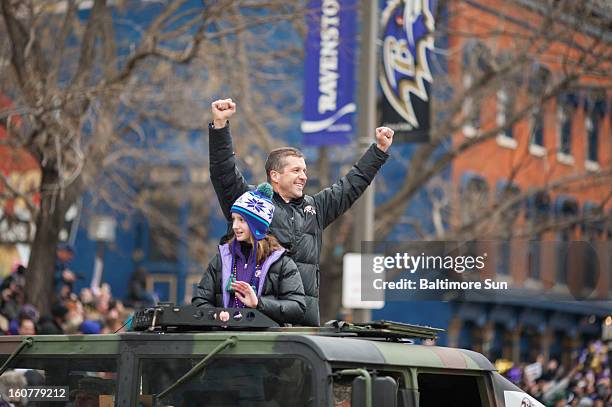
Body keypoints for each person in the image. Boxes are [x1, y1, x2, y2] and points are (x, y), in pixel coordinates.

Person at [208, 98, 394, 326]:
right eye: (296, 170)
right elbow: (223, 171)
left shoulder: (315, 208)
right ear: (274, 175)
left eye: (305, 171)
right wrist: (219, 125)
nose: (304, 176)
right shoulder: (250, 204)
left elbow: (351, 185)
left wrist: (379, 150)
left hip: (303, 324)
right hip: (258, 321)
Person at [192, 183, 306, 325]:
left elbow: (298, 308)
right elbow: (200, 301)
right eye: (233, 219)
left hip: (265, 344)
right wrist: (216, 315)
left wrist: (258, 303)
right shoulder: (221, 259)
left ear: (257, 226)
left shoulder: (282, 263)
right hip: (224, 341)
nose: (234, 226)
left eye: (242, 220)